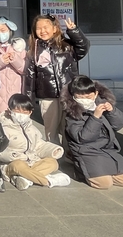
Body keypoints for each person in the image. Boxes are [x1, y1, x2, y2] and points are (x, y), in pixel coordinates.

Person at [24, 15, 90, 145]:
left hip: (68, 94)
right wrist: (28, 101)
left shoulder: (66, 46)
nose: (42, 31)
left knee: (68, 128)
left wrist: (74, 31)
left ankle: (69, 153)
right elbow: (29, 77)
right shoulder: (34, 51)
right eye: (38, 28)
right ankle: (55, 153)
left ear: (54, 29)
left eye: (45, 27)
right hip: (47, 97)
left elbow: (83, 47)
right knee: (51, 130)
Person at [60, 76, 123, 190]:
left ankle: (100, 171)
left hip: (107, 149)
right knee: (105, 184)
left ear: (95, 94)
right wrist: (95, 117)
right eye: (80, 97)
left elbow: (119, 124)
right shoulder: (72, 114)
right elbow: (83, 138)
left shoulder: (101, 104)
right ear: (73, 96)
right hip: (86, 151)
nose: (84, 99)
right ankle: (81, 171)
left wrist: (112, 111)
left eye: (88, 96)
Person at [0, 94, 71, 190]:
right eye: (17, 111)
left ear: (30, 112)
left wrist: (53, 149)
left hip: (32, 162)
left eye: (25, 112)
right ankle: (48, 181)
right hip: (11, 164)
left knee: (53, 163)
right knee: (19, 165)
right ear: (9, 110)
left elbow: (38, 145)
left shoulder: (31, 128)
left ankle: (25, 178)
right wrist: (15, 156)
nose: (21, 114)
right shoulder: (1, 127)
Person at [0, 17, 27, 114]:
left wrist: (15, 59)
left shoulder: (19, 49)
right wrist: (0, 61)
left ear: (10, 31)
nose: (0, 34)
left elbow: (25, 69)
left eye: (3, 30)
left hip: (16, 92)